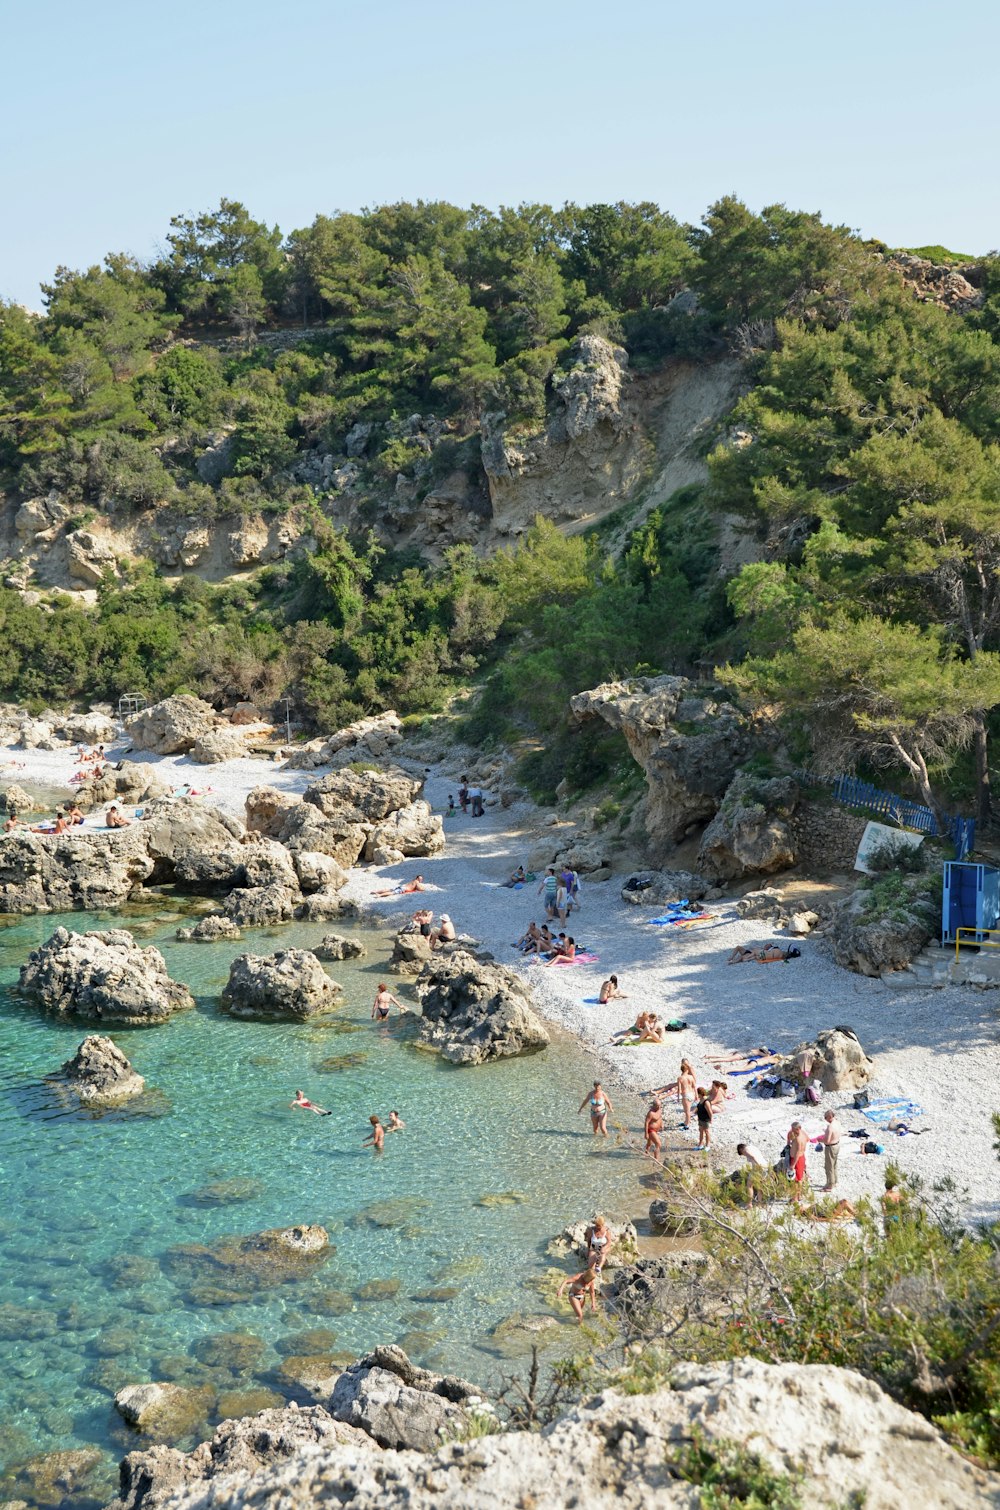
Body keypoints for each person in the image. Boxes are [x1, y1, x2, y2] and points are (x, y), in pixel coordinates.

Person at [814, 1109, 841, 1191]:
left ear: (829, 1117)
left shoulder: (830, 1127)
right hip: (837, 1144)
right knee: (834, 1164)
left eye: (826, 1117)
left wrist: (820, 1140)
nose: (825, 1119)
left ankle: (830, 1185)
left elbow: (827, 1141)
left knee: (829, 1166)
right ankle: (835, 1181)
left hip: (830, 1147)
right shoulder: (837, 1122)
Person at [787, 1121, 809, 1199]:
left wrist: (793, 1164)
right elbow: (808, 1139)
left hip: (797, 1159)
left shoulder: (798, 1139)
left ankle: (795, 1198)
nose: (792, 1130)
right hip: (801, 1157)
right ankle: (799, 1195)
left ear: (798, 1129)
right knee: (800, 1178)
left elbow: (798, 1152)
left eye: (793, 1129)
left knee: (795, 1179)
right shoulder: (803, 1134)